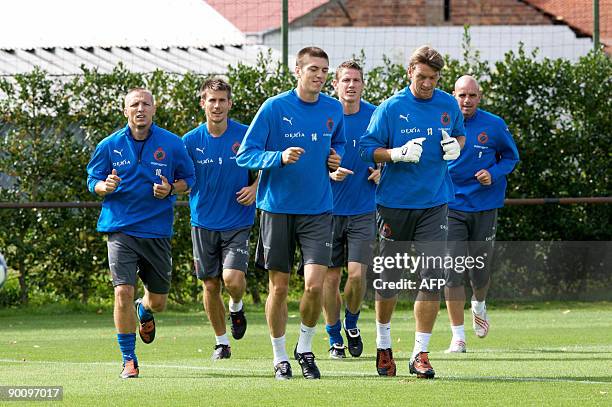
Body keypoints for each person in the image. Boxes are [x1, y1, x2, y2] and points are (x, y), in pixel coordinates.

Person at [236, 46, 346, 380]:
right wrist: (278, 157)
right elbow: (245, 155)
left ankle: (306, 348)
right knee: (279, 288)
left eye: (325, 70)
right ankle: (280, 356)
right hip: (277, 209)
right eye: (313, 69)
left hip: (318, 210)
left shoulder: (333, 109)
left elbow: (337, 144)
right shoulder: (274, 108)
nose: (320, 75)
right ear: (297, 71)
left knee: (315, 285)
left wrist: (335, 158)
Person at [359, 45, 465, 379]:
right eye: (421, 77)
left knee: (432, 276)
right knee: (389, 280)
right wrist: (394, 154)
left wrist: (456, 147)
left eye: (433, 78)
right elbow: (366, 150)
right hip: (394, 205)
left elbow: (460, 134)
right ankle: (384, 343)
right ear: (409, 73)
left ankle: (420, 353)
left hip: (435, 204)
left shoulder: (448, 104)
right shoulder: (391, 108)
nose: (427, 84)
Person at [86, 88, 195, 379]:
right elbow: (92, 180)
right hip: (120, 228)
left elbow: (190, 178)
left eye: (146, 103)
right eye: (134, 104)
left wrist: (172, 188)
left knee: (158, 301)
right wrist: (103, 187)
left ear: (154, 108)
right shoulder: (109, 145)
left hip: (157, 230)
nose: (140, 108)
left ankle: (144, 311)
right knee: (122, 291)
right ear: (125, 111)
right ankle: (128, 358)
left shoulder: (172, 143)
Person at [443, 75, 519, 353]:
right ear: (453, 95)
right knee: (452, 270)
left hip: (485, 206)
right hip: (450, 206)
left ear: (480, 96)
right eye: (461, 95)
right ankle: (458, 336)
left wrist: (493, 173)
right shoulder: (442, 122)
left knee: (479, 270)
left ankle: (479, 304)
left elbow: (511, 158)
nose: (466, 101)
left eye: (472, 96)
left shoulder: (494, 125)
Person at [183, 78, 257, 360]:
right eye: (211, 100)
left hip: (237, 222)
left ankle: (236, 306)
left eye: (222, 100)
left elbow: (267, 167)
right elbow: (180, 176)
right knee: (211, 285)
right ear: (203, 103)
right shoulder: (189, 141)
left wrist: (255, 188)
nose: (217, 105)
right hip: (202, 222)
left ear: (229, 103)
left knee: (232, 280)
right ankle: (221, 342)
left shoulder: (245, 135)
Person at [324, 60, 379, 359]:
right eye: (345, 80)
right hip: (326, 211)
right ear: (335, 84)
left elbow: (391, 153)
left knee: (357, 275)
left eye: (356, 80)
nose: (351, 85)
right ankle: (334, 338)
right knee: (329, 279)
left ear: (362, 84)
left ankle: (352, 324)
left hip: (363, 209)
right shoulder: (324, 114)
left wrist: (383, 170)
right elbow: (307, 159)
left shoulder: (375, 116)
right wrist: (327, 173)